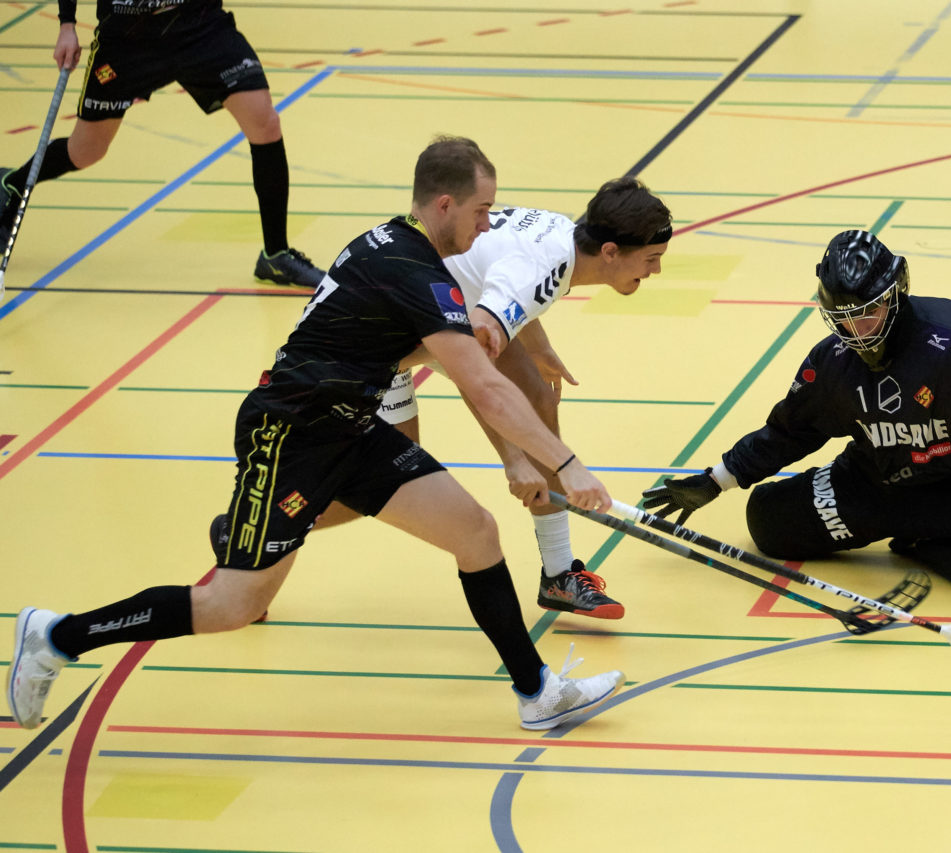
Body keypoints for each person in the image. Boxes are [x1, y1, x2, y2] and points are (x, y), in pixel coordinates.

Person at [7, 136, 624, 734]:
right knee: (232, 605)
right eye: (482, 210)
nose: (488, 225)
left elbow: (402, 347)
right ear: (445, 205)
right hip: (292, 432)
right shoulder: (412, 269)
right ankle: (56, 636)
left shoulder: (396, 247)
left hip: (350, 425)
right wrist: (564, 464)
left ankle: (536, 693)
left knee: (475, 532)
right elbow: (484, 387)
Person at [641, 229, 951, 601]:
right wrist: (716, 480)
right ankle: (915, 529)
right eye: (842, 319)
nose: (857, 331)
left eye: (868, 313)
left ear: (895, 294)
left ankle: (927, 544)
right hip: (877, 489)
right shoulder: (831, 361)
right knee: (767, 525)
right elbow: (788, 432)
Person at [364, 180, 672, 621]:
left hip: (431, 314)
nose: (655, 272)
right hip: (385, 338)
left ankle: (559, 575)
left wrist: (539, 349)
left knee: (538, 403)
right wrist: (513, 458)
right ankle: (260, 535)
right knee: (384, 478)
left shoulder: (562, 240)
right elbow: (473, 369)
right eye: (651, 260)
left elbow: (506, 287)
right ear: (609, 251)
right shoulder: (542, 269)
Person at [0, 0, 324, 287]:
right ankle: (12, 184)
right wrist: (67, 25)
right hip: (128, 36)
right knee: (86, 151)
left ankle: (276, 255)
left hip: (199, 25)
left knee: (264, 123)